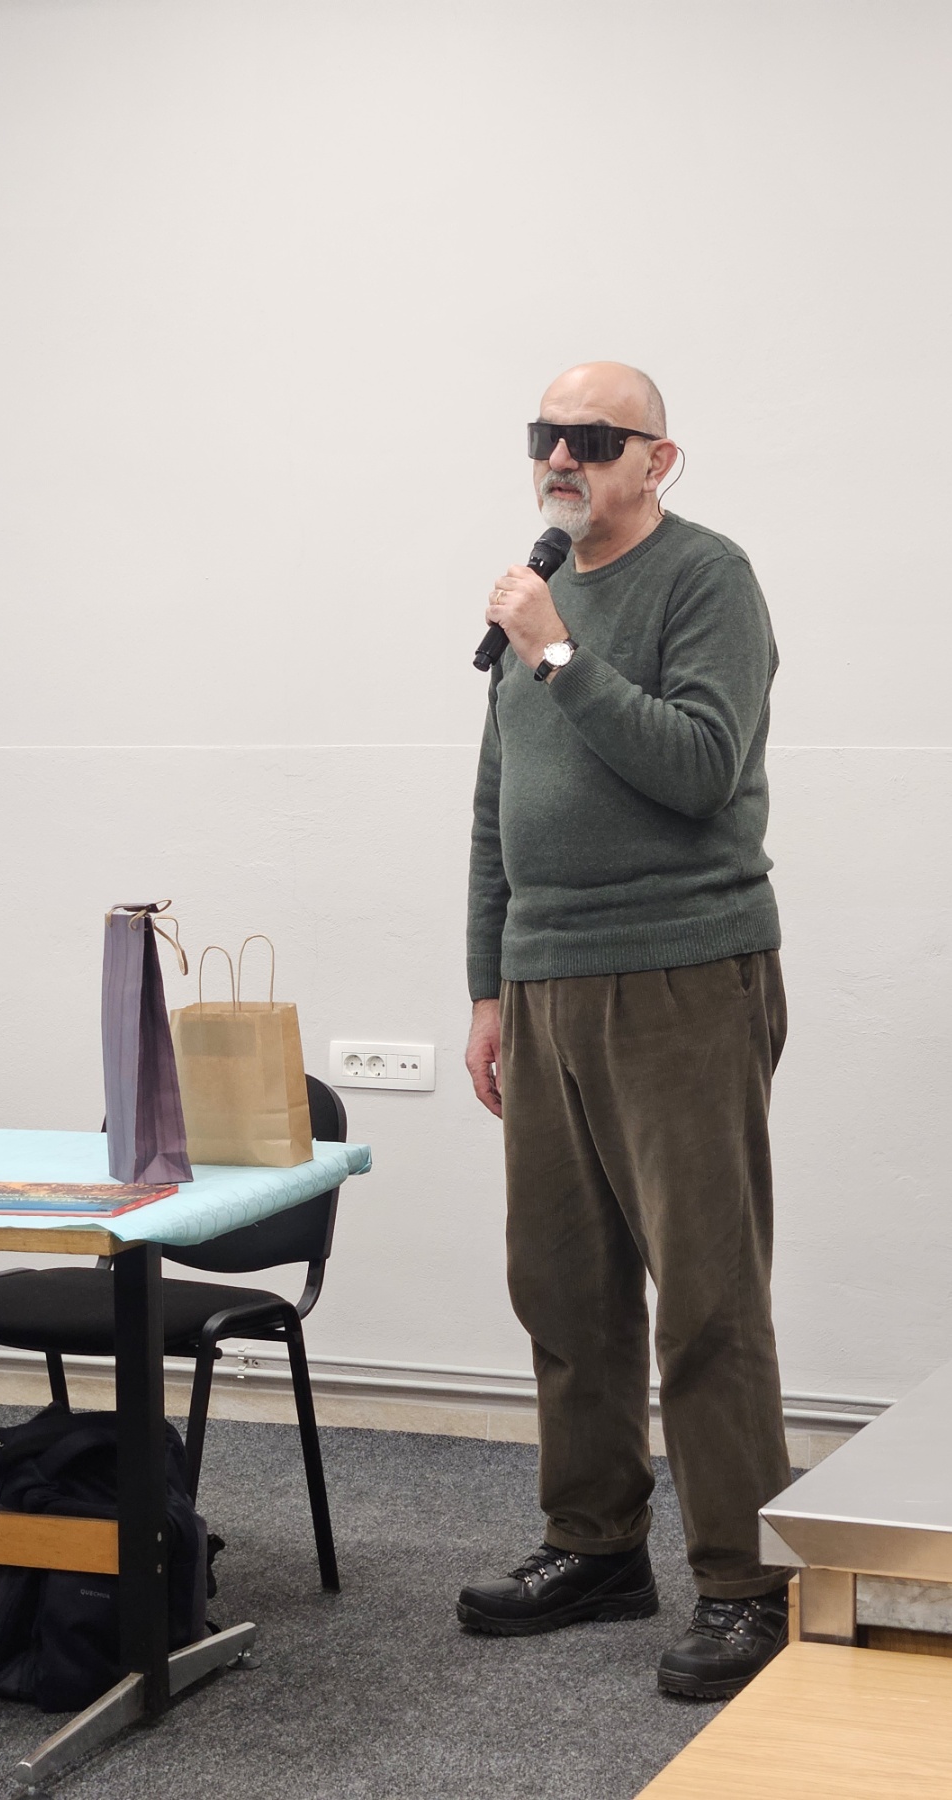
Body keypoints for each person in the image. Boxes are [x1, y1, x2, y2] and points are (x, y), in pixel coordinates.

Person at [458, 361, 793, 1698]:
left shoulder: (706, 578)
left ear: (659, 459)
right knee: (561, 1282)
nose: (562, 455)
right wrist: (488, 987)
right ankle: (594, 1544)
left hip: (681, 972)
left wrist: (556, 650)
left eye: (595, 436)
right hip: (544, 980)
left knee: (705, 1293)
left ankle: (744, 1582)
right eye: (547, 433)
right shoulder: (531, 595)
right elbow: (496, 805)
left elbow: (700, 767)